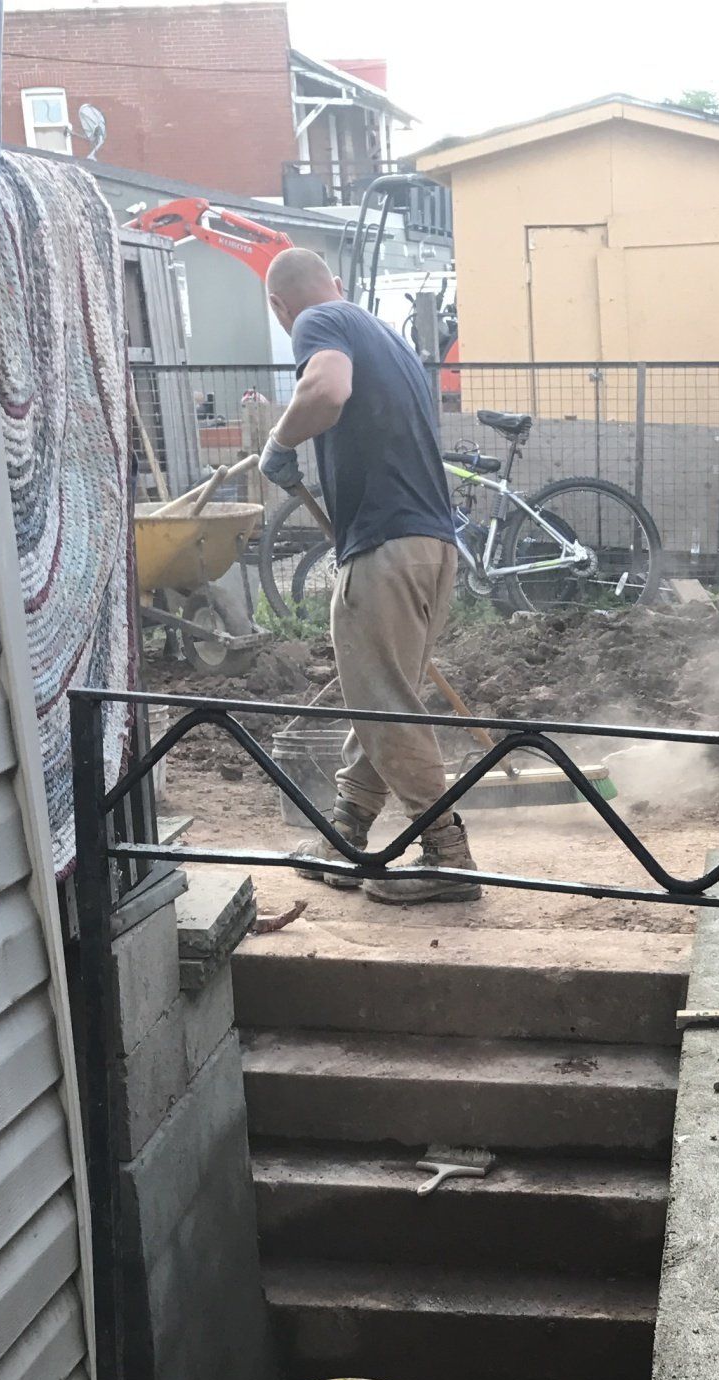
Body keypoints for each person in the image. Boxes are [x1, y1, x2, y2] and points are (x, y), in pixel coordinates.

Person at [260, 246, 479, 904]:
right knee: (381, 697)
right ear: (341, 283)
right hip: (432, 547)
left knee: (381, 702)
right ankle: (347, 835)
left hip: (384, 547)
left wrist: (280, 441)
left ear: (280, 307)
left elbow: (326, 391)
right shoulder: (385, 334)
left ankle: (448, 855)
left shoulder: (318, 322)